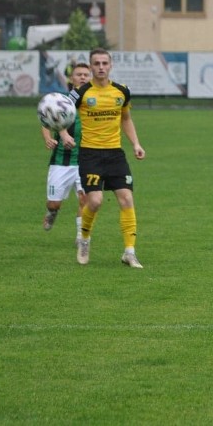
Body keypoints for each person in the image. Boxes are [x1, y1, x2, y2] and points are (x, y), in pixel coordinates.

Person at [62, 48, 146, 268]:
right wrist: (63, 135)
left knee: (127, 199)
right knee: (95, 201)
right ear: (90, 67)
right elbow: (62, 115)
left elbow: (126, 118)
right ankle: (85, 239)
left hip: (115, 153)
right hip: (90, 154)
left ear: (110, 65)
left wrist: (136, 143)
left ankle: (129, 252)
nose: (100, 67)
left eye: (104, 63)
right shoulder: (79, 93)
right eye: (96, 63)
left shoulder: (121, 91)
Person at [41, 62, 91, 241]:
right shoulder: (62, 101)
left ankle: (81, 236)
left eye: (86, 74)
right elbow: (45, 121)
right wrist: (50, 138)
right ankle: (51, 212)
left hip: (87, 160)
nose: (83, 77)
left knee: (85, 199)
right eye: (79, 74)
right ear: (72, 78)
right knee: (54, 203)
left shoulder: (95, 100)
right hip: (62, 160)